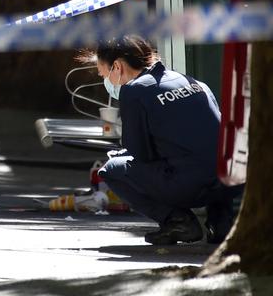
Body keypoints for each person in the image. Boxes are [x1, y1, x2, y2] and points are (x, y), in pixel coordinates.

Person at [85, 36, 244, 245]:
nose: (106, 81)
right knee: (208, 155)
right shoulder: (190, 81)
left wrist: (121, 154)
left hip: (191, 186)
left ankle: (178, 221)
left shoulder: (134, 91)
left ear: (117, 66)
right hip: (233, 180)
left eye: (103, 74)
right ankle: (221, 222)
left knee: (111, 169)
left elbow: (139, 153)